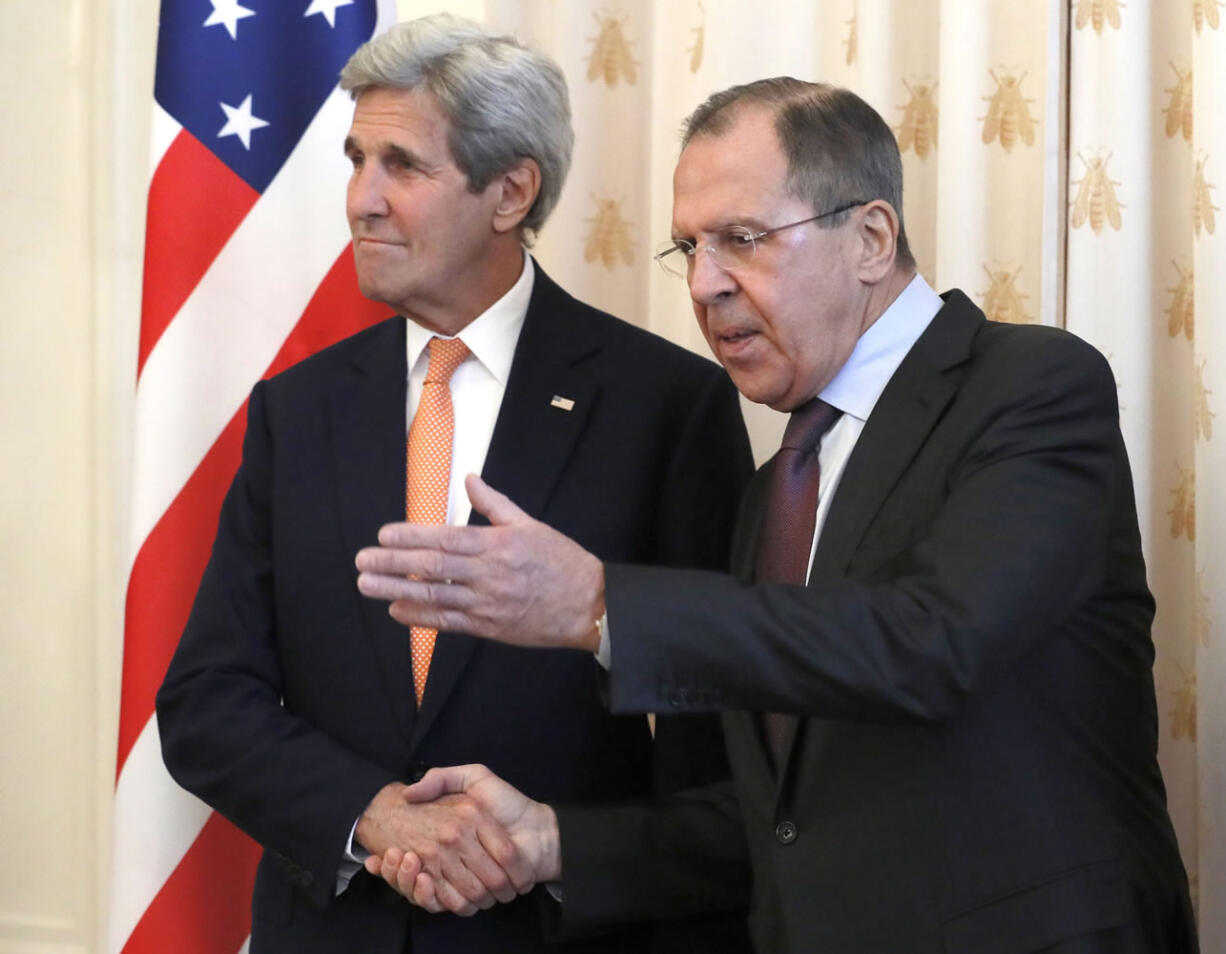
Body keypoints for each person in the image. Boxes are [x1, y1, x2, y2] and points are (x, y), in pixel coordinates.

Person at [354, 78, 1200, 954]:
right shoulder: (774, 492)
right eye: (690, 247)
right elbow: (779, 822)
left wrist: (601, 605)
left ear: (871, 237)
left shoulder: (1027, 385)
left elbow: (935, 645)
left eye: (743, 239)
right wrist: (551, 842)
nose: (706, 284)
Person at [155, 15, 755, 954]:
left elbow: (718, 750)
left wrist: (553, 853)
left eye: (402, 165)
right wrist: (373, 816)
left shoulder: (665, 406)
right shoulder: (298, 410)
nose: (361, 199)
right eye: (356, 160)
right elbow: (205, 703)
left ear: (510, 191)